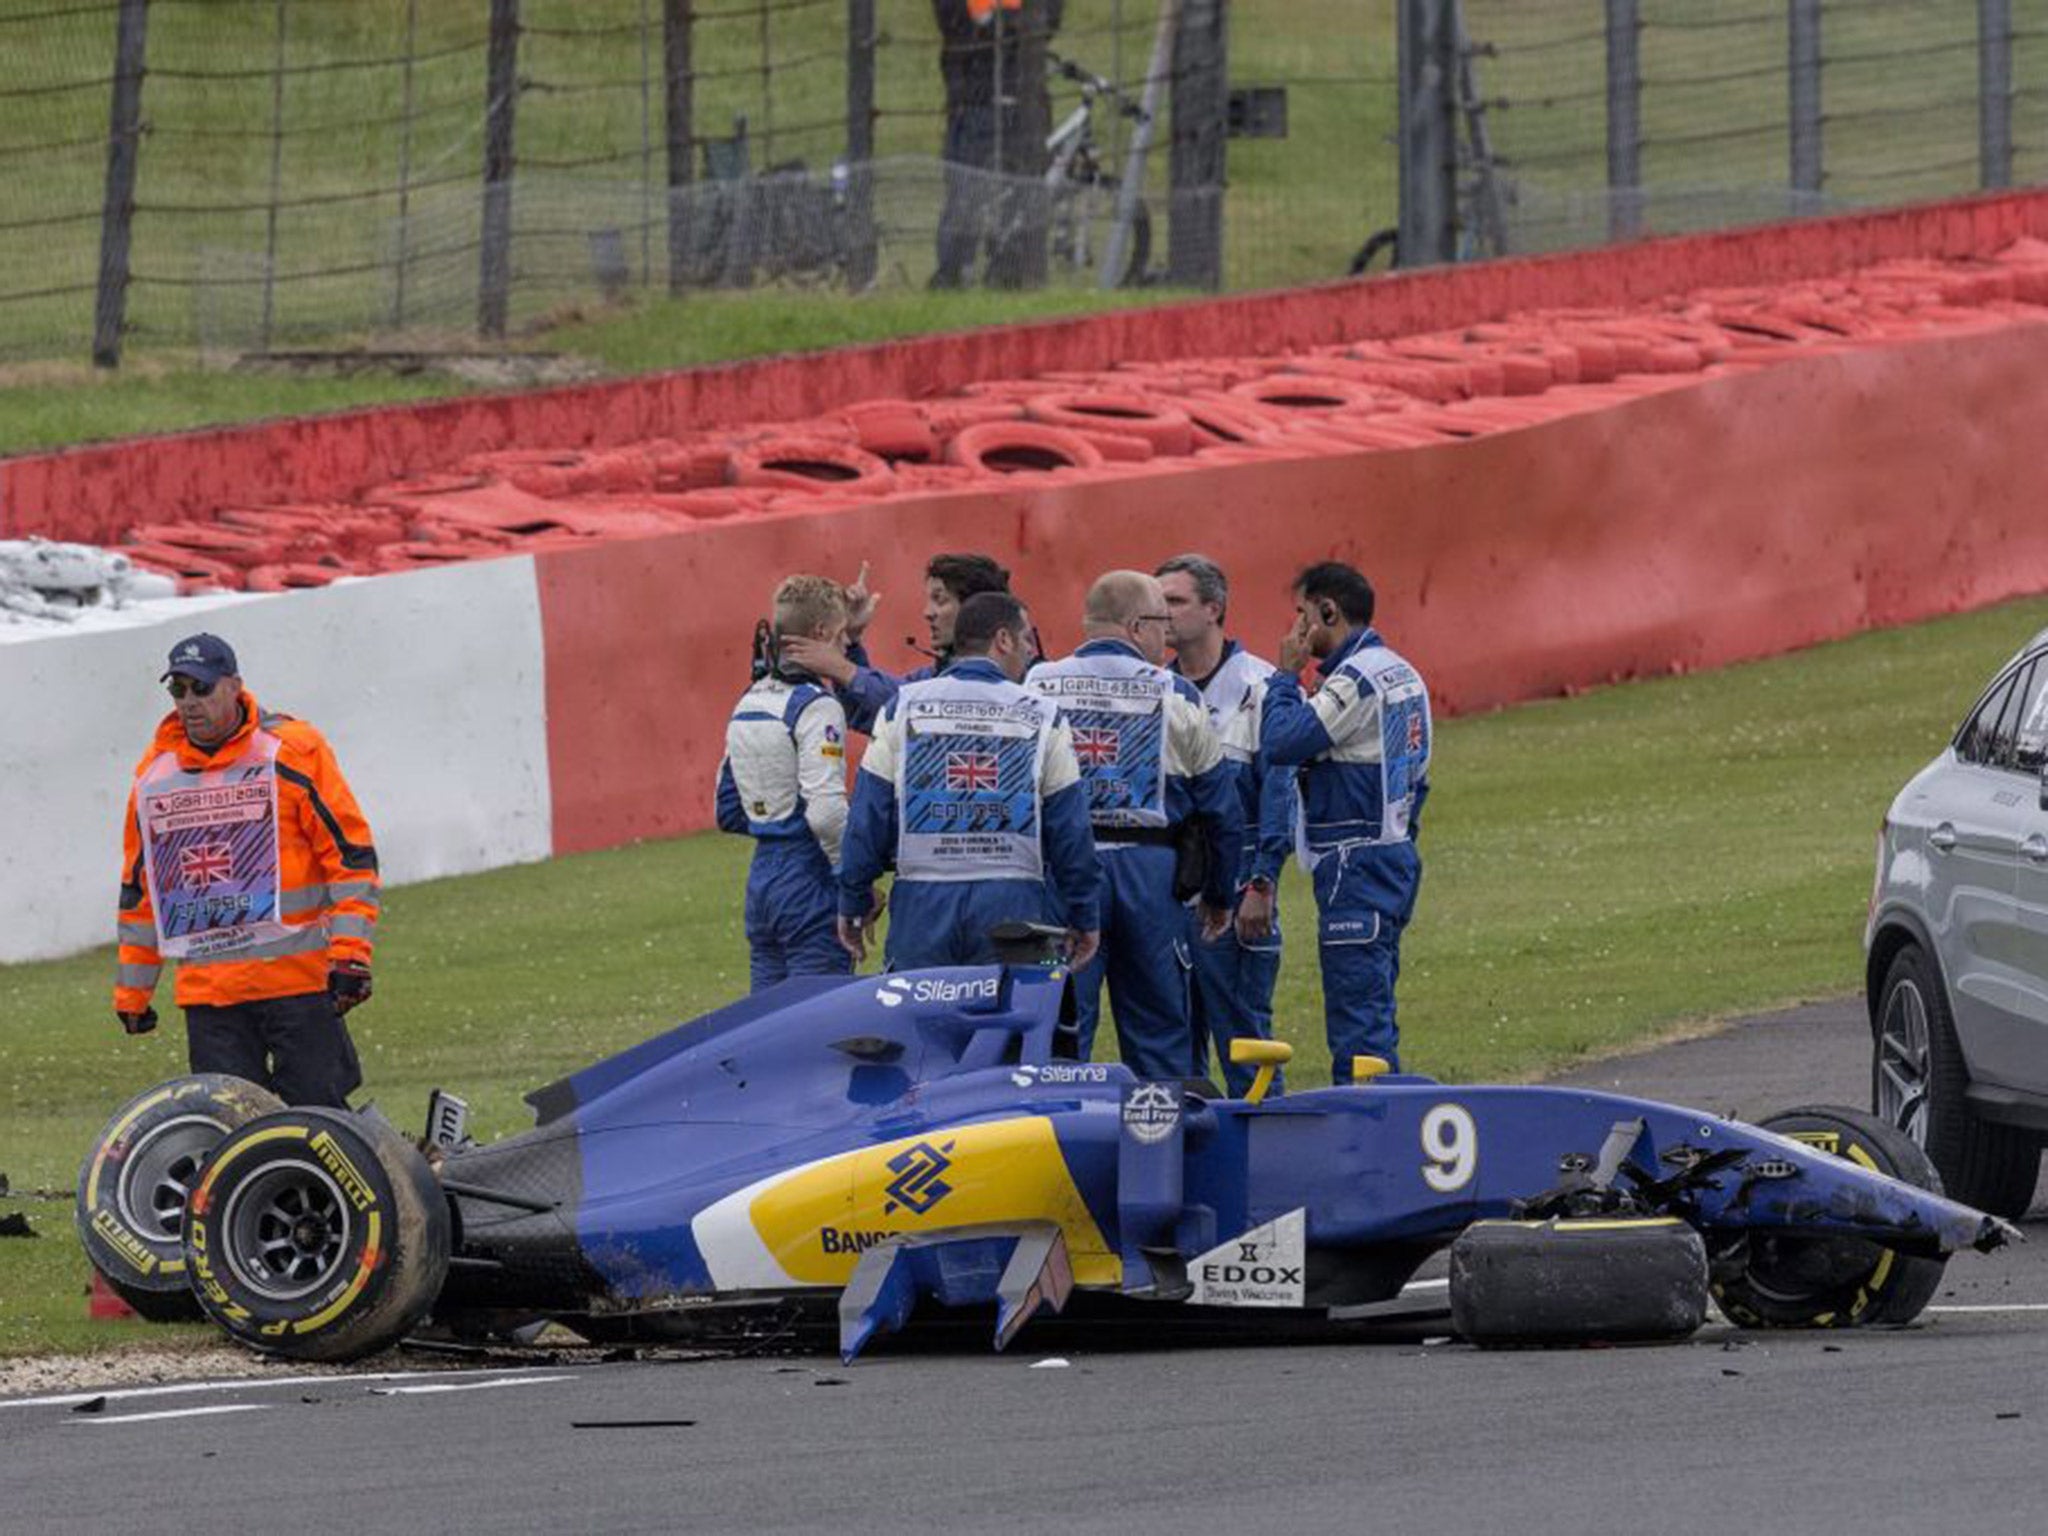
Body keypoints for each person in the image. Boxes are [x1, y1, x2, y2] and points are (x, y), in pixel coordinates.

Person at [114, 633, 378, 1107]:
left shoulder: (292, 750)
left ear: (234, 686)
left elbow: (350, 857)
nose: (189, 703)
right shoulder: (155, 776)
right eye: (178, 690)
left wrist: (351, 955)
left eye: (201, 688)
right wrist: (133, 994)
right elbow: (141, 890)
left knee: (321, 1118)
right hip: (211, 997)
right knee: (231, 1131)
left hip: (299, 982)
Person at [1027, 571, 1242, 1080]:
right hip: (1152, 875)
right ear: (1136, 625)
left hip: (1064, 870)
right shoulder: (1178, 692)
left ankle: (1055, 1145)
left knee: (1058, 1030)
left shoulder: (1036, 685)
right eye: (1161, 624)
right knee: (1160, 1036)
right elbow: (1220, 807)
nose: (1165, 637)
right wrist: (1219, 892)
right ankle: (1162, 1147)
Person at [837, 591, 1100, 971]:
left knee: (918, 1026)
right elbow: (1071, 830)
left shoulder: (902, 706)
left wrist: (852, 899)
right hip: (1015, 904)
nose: (1031, 651)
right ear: (1003, 639)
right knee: (1011, 1026)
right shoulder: (1045, 715)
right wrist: (1084, 914)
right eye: (1025, 637)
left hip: (922, 903)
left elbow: (867, 818)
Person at [1261, 563, 1432, 1081]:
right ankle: (1387, 1119)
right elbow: (1419, 779)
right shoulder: (1404, 672)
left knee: (1358, 1024)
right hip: (1394, 852)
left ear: (1328, 611)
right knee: (1374, 1012)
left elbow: (1283, 743)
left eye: (1302, 615)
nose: (1296, 629)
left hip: (1355, 862)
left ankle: (1369, 1138)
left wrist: (1285, 677)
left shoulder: (1355, 679)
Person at [1157, 554, 1293, 1095]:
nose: (1162, 613)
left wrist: (1264, 882)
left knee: (1244, 1041)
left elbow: (1280, 792)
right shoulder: (1154, 689)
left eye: (1175, 600)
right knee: (1172, 1048)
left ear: (1214, 608)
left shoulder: (1260, 686)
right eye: (1157, 601)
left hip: (1238, 884)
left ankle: (1265, 1165)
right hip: (1166, 891)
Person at [717, 576, 857, 992]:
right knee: (818, 1024)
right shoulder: (817, 706)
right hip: (809, 877)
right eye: (844, 634)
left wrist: (772, 825)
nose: (847, 645)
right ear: (821, 634)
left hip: (762, 881)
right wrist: (850, 881)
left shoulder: (750, 699)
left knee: (766, 1026)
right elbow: (827, 813)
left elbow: (726, 807)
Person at [783, 552, 1015, 735]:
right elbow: (875, 712)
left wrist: (841, 668)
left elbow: (911, 705)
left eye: (940, 600)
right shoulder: (935, 674)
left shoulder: (1008, 679)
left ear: (973, 608)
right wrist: (851, 642)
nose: (927, 613)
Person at [931, 0, 1062, 289]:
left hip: (1023, 98)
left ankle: (1010, 272)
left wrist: (997, 24)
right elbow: (953, 22)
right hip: (973, 98)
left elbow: (1047, 20)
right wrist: (1003, 26)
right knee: (965, 194)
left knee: (1020, 195)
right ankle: (954, 274)